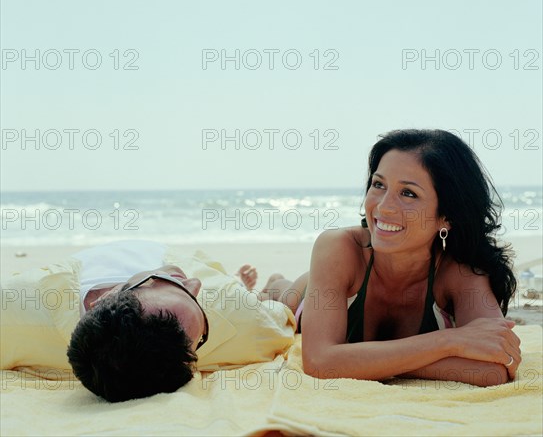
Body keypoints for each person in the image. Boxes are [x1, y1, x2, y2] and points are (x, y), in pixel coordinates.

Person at [273, 129, 521, 387]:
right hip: (308, 294)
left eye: (408, 193)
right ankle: (275, 281)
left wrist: (360, 361)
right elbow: (321, 362)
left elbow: (494, 369)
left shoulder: (459, 272)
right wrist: (450, 342)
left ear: (447, 216)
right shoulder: (339, 247)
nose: (383, 207)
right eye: (379, 184)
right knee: (280, 298)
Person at [1, 241, 295, 402]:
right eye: (202, 331)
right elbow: (279, 320)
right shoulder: (234, 317)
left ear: (100, 302)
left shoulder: (15, 311)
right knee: (261, 293)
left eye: (172, 283)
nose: (193, 282)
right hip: (222, 292)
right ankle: (242, 282)